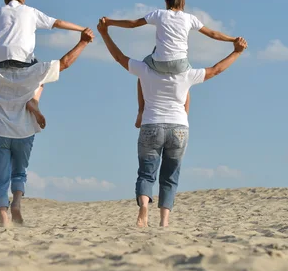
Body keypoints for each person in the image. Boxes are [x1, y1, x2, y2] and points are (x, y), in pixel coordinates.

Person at [97, 19, 247, 228]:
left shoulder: (144, 70)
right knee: (170, 176)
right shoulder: (186, 73)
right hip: (178, 128)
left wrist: (104, 33)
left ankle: (144, 209)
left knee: (146, 172)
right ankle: (164, 221)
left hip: (151, 125)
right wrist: (236, 52)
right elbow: (216, 69)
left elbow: (119, 57)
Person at [0, 24, 94, 227]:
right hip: (25, 130)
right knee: (19, 172)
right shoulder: (35, 70)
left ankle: (3, 217)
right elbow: (64, 63)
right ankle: (17, 202)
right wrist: (83, 42)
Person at [101, 0, 241, 128]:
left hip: (158, 62)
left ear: (166, 2)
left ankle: (141, 111)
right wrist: (234, 39)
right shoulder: (190, 18)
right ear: (183, 3)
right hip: (180, 64)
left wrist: (110, 22)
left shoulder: (158, 14)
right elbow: (213, 34)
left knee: (142, 70)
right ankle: (184, 116)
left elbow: (133, 24)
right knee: (187, 81)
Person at [0, 0, 86, 131]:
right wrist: (82, 29)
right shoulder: (31, 12)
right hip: (23, 60)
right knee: (41, 75)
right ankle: (34, 101)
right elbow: (57, 23)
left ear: (5, 0)